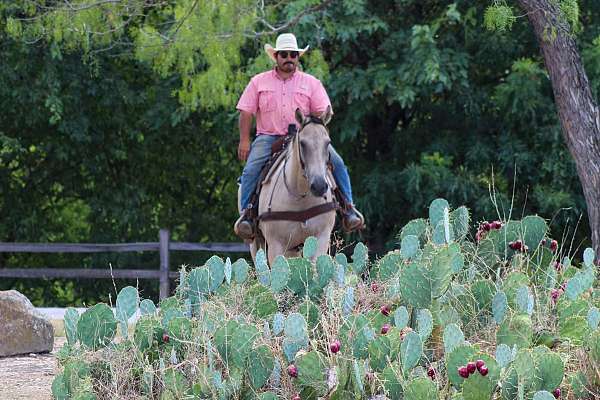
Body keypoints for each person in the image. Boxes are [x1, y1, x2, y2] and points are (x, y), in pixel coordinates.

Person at [234, 33, 364, 240]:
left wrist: (316, 129)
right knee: (250, 171)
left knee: (338, 163)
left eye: (293, 54)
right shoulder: (259, 82)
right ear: (276, 56)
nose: (289, 58)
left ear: (297, 57)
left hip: (305, 136)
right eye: (284, 54)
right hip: (269, 135)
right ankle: (247, 216)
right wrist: (244, 140)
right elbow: (246, 112)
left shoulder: (311, 83)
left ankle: (349, 209)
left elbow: (323, 112)